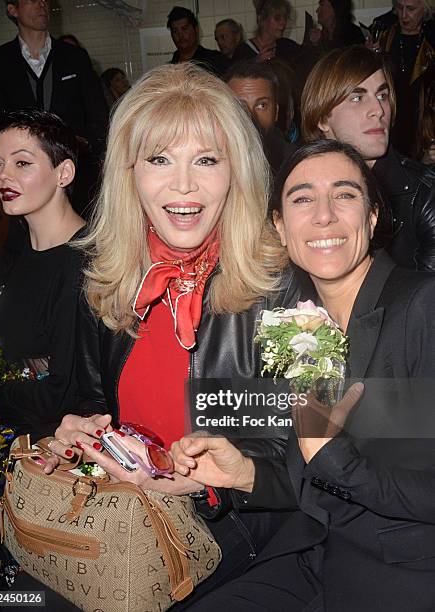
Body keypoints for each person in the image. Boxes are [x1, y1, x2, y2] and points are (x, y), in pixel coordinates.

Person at [25, 63, 299, 609]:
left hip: (237, 530)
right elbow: (91, 400)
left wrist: (209, 482)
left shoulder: (283, 287)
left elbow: (299, 461)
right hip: (123, 512)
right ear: (129, 173)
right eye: (159, 159)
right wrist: (81, 436)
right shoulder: (105, 278)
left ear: (237, 172)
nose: (183, 185)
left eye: (206, 159)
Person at [172, 139, 435, 611]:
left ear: (372, 217)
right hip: (314, 552)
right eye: (302, 199)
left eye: (345, 194)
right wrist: (246, 473)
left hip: (404, 566)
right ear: (280, 225)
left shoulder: (421, 306)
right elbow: (310, 477)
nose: (323, 215)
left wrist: (336, 459)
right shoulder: (299, 324)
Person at [0, 109, 85, 591]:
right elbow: (25, 353)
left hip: (37, 443)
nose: (4, 176)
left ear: (64, 173)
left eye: (22, 163)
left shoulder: (84, 264)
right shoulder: (27, 250)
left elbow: (62, 385)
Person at [301, 44, 435, 271]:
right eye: (357, 98)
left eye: (382, 95)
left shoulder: (424, 193)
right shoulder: (297, 192)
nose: (378, 110)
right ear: (323, 118)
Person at [0, 0, 108, 217]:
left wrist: (81, 143)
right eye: (32, 0)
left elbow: (99, 115)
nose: (42, 4)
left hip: (76, 178)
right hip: (25, 183)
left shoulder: (74, 57)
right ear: (13, 10)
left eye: (44, 0)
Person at [373, 0, 435, 157]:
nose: (404, 15)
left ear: (425, 9)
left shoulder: (432, 38)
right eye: (399, 8)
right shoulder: (386, 33)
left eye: (411, 9)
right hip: (391, 117)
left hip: (422, 120)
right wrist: (371, 57)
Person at [225, 60, 295, 175]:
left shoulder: (294, 164)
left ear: (276, 112)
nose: (250, 116)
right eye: (239, 106)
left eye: (261, 105)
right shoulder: (210, 161)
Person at [167, 6, 229, 77]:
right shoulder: (169, 69)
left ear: (196, 30)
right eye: (175, 31)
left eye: (185, 29)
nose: (180, 35)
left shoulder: (216, 60)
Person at [233, 0, 300, 63]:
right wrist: (256, 62)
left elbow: (305, 56)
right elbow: (235, 73)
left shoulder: (287, 46)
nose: (283, 23)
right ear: (261, 19)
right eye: (277, 18)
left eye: (285, 18)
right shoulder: (242, 50)